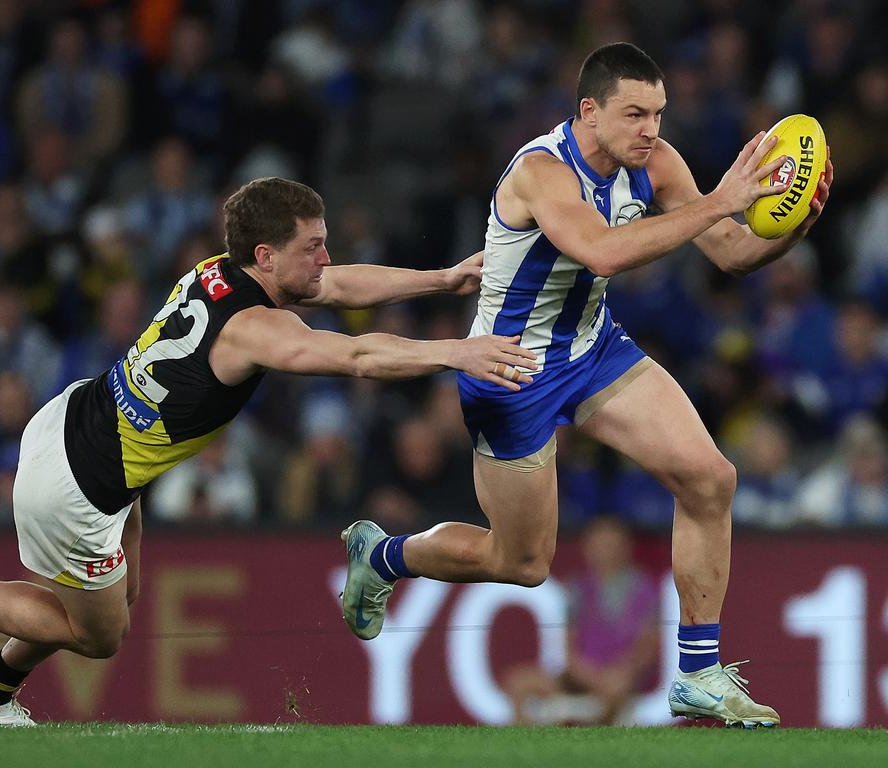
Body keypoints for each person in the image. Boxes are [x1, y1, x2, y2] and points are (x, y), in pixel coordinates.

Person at [0, 177, 537, 726]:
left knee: (122, 594)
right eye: (314, 246)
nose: (325, 260)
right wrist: (457, 351)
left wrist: (439, 280)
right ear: (268, 256)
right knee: (98, 634)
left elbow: (336, 288)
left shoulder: (218, 270)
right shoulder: (254, 328)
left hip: (76, 416)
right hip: (80, 484)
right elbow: (356, 354)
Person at [340, 42, 833, 728]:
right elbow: (602, 250)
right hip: (511, 371)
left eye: (658, 114)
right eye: (635, 114)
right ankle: (384, 554)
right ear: (589, 112)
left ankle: (697, 672)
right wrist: (724, 199)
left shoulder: (655, 164)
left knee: (710, 478)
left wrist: (794, 225)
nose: (651, 130)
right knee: (520, 562)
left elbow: (731, 253)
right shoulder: (541, 171)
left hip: (593, 349)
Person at [503, 516, 659, 725]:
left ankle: (599, 745)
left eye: (611, 544)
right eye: (599, 544)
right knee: (519, 683)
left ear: (625, 548)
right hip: (581, 676)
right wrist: (590, 676)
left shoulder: (643, 589)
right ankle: (522, 749)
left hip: (619, 676)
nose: (604, 551)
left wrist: (621, 672)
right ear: (587, 548)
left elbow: (647, 647)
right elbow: (568, 649)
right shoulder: (577, 588)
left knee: (616, 688)